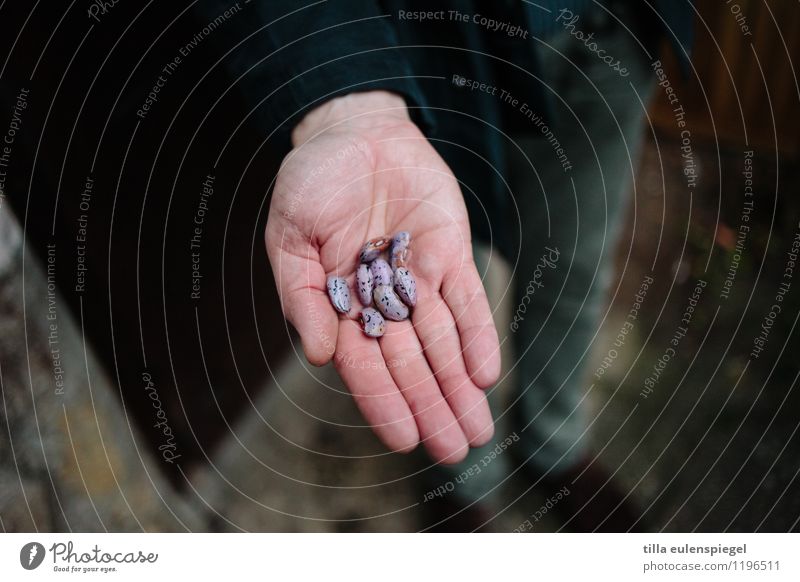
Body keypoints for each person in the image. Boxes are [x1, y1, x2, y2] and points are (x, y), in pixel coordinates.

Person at [195, 0, 693, 531]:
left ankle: (556, 444)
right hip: (443, 49)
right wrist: (341, 94)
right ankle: (464, 479)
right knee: (454, 271)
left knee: (575, 260)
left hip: (618, 28)